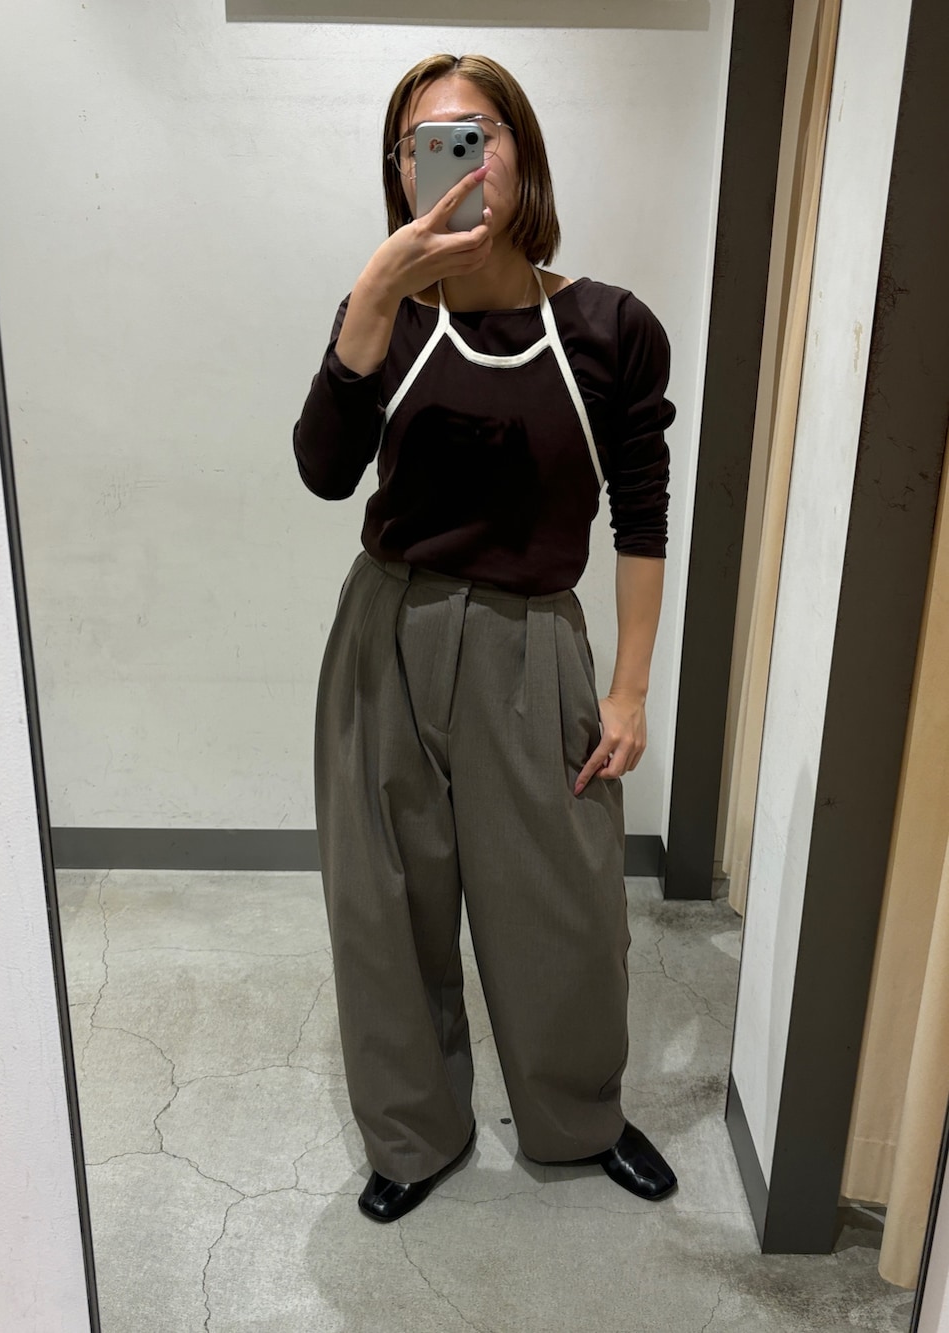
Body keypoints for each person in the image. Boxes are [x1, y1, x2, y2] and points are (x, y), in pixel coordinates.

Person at [293, 52, 678, 1223]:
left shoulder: (610, 327)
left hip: (533, 646)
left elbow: (642, 512)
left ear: (521, 149)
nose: (456, 159)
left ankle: (578, 1117)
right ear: (403, 170)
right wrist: (375, 293)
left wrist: (627, 689)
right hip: (386, 636)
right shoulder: (387, 318)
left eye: (477, 131)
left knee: (565, 905)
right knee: (386, 901)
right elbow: (323, 471)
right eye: (425, 141)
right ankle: (413, 1134)